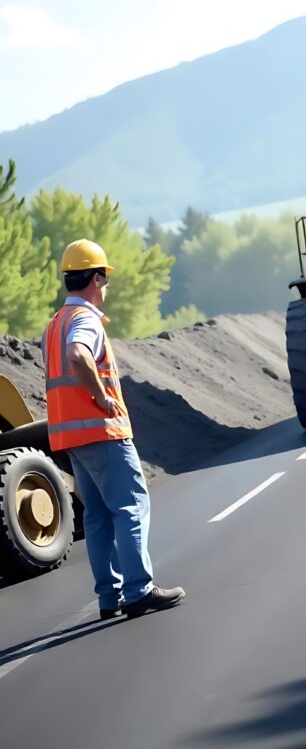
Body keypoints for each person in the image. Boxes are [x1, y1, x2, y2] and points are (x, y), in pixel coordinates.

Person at [42, 239, 185, 620]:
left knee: (98, 517)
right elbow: (79, 355)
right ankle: (139, 590)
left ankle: (110, 597)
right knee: (131, 508)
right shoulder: (85, 320)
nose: (105, 287)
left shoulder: (55, 324)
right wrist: (102, 395)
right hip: (101, 432)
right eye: (104, 279)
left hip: (71, 437)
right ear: (95, 277)